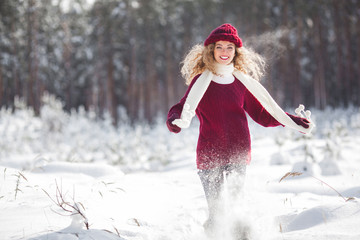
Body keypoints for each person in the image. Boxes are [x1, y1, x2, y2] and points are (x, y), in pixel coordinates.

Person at [166, 23, 313, 236]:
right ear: (210, 50)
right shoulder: (202, 82)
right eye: (219, 47)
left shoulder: (241, 83)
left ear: (236, 52)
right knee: (216, 214)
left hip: (238, 153)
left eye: (229, 48)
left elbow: (263, 114)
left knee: (236, 211)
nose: (224, 52)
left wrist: (291, 121)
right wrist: (174, 119)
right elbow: (183, 106)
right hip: (209, 156)